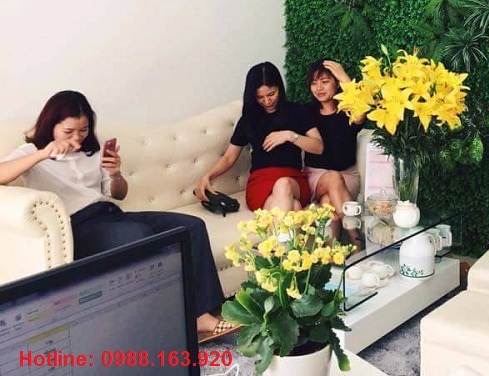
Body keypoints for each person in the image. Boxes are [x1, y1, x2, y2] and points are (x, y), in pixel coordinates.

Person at [0, 91, 236, 343]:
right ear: (51, 125)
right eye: (68, 131)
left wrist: (115, 174)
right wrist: (42, 154)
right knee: (140, 236)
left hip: (110, 215)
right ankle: (165, 324)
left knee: (192, 226)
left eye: (83, 130)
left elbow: (118, 194)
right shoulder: (32, 151)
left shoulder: (93, 151)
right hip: (77, 226)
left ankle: (203, 315)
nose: (77, 138)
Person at [194, 61, 323, 211]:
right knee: (293, 206)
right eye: (260, 97)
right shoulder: (248, 120)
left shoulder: (297, 111)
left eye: (271, 94)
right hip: (261, 182)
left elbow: (318, 147)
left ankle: (280, 224)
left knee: (283, 184)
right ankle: (289, 221)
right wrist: (207, 176)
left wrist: (290, 136)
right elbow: (229, 157)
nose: (267, 101)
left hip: (293, 180)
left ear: (279, 88)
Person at [303, 59, 365, 217]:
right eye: (314, 83)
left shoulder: (347, 110)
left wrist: (344, 77)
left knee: (328, 202)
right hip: (316, 176)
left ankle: (342, 234)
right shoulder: (307, 112)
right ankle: (355, 231)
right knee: (333, 178)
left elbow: (360, 115)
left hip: (347, 176)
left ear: (337, 84)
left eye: (325, 82)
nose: (319, 88)